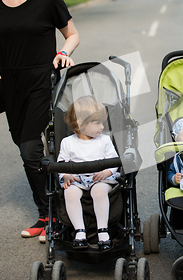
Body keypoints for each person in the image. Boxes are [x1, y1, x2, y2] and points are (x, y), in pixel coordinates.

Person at [0, 0, 79, 242]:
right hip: (8, 84)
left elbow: (72, 34)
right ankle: (51, 211)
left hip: (41, 80)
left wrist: (63, 53)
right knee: (23, 148)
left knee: (31, 150)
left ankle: (51, 214)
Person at [58, 96, 120, 250]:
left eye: (102, 122)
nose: (102, 127)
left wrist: (106, 172)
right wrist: (65, 175)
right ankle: (79, 230)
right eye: (97, 123)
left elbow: (115, 161)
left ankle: (102, 230)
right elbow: (61, 164)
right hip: (77, 180)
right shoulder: (68, 142)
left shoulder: (104, 140)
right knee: (69, 193)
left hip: (100, 179)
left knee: (99, 191)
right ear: (80, 124)